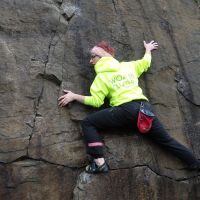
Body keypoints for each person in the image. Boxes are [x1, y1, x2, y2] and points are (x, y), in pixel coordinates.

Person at [58, 40, 200, 174]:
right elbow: (145, 63)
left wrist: (74, 96)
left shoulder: (101, 77)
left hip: (125, 111)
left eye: (92, 57)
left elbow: (96, 101)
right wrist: (148, 50)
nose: (90, 61)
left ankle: (99, 163)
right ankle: (194, 163)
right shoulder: (127, 66)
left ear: (100, 57)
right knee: (166, 140)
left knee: (88, 123)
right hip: (145, 109)